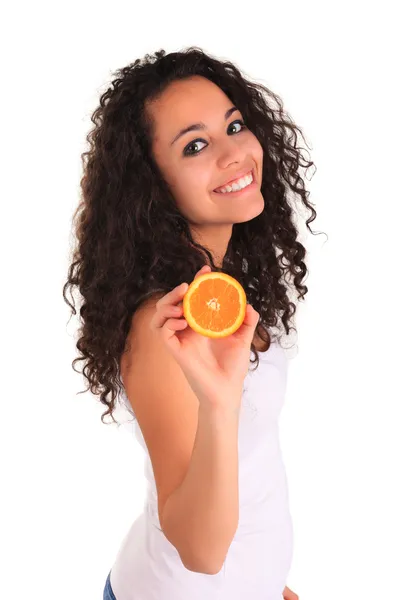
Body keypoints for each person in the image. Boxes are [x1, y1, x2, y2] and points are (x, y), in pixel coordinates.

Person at [63, 46, 320, 600]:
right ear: (153, 186)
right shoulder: (169, 326)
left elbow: (247, 468)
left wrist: (269, 580)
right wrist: (220, 403)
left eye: (235, 125)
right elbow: (200, 553)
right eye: (196, 145)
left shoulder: (223, 282)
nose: (235, 153)